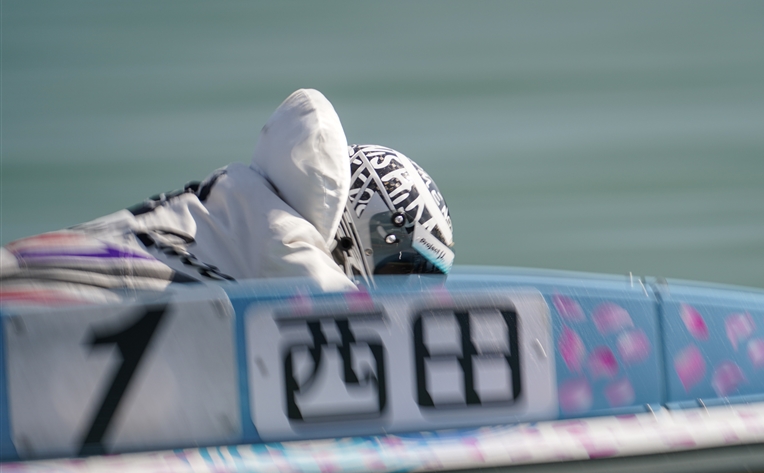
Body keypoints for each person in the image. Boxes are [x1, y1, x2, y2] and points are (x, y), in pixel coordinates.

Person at [0, 89, 454, 304]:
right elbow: (353, 328)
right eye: (402, 272)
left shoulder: (233, 204)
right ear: (360, 230)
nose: (407, 296)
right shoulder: (285, 246)